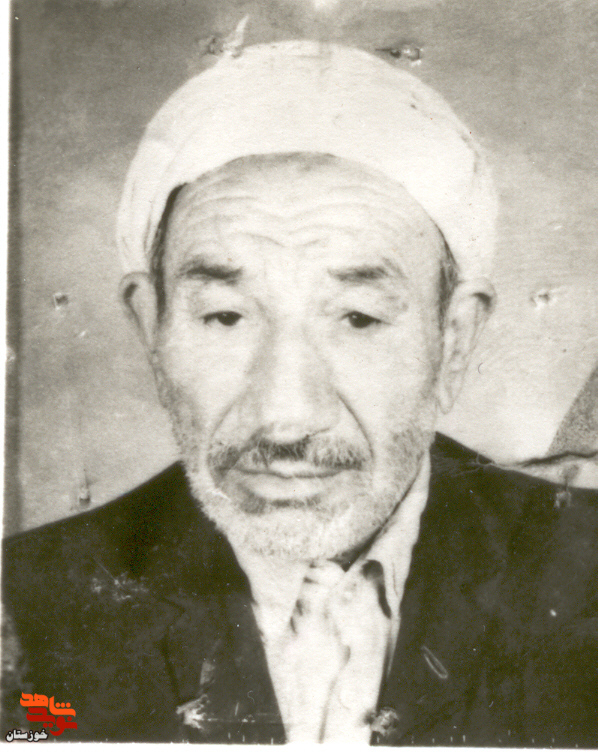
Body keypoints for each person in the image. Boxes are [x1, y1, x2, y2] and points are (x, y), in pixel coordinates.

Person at [3, 40, 597, 745]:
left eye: (358, 319)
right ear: (151, 326)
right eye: (225, 317)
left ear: (455, 341)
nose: (286, 416)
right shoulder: (24, 609)